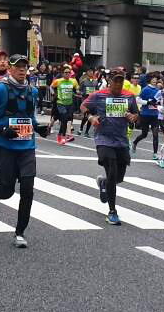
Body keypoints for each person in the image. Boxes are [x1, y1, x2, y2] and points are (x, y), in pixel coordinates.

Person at [0, 54, 50, 248]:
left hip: (27, 148)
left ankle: (20, 232)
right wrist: (0, 128)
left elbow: (29, 118)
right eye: (17, 66)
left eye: (24, 66)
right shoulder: (0, 90)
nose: (21, 70)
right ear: (9, 69)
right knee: (8, 190)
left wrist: (39, 128)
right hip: (6, 147)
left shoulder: (32, 91)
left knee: (27, 190)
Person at [82, 69, 139, 225]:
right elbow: (83, 106)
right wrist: (91, 117)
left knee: (118, 177)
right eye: (116, 81)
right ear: (109, 81)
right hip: (103, 139)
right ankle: (112, 211)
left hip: (121, 140)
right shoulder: (99, 95)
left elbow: (136, 115)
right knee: (112, 172)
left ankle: (103, 183)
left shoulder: (129, 96)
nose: (119, 84)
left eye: (121, 81)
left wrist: (132, 117)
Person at [50, 64, 82, 144]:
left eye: (69, 72)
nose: (68, 74)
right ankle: (62, 136)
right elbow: (51, 87)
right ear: (62, 73)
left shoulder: (73, 81)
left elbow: (77, 89)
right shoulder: (58, 81)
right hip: (60, 102)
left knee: (67, 119)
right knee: (64, 118)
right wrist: (54, 94)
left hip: (69, 103)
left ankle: (60, 134)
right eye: (66, 72)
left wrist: (78, 92)